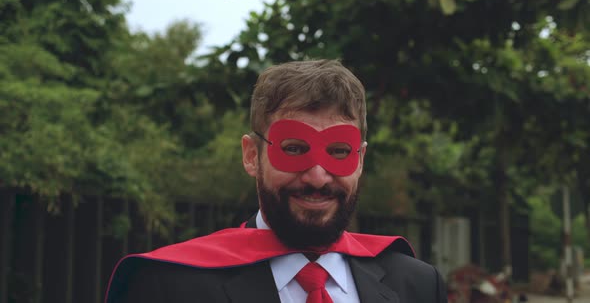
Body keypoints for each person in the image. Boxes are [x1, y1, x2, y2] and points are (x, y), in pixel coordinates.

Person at [105, 60, 448, 302]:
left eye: (340, 151)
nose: (317, 177)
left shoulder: (416, 285)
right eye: (294, 149)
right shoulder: (168, 286)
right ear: (252, 155)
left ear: (361, 160)